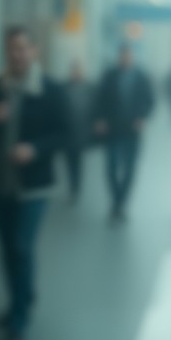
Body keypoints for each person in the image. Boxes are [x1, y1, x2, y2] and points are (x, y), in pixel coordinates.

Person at [0, 27, 68, 340]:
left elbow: (65, 134)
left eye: (24, 49)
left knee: (21, 246)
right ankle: (18, 300)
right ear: (5, 53)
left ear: (35, 51)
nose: (18, 55)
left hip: (34, 185)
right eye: (12, 50)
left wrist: (35, 149)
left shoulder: (51, 89)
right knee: (7, 249)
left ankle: (17, 328)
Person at [93, 44, 155, 222]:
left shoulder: (141, 77)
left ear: (132, 57)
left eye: (128, 55)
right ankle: (116, 199)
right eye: (122, 55)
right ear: (118, 56)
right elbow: (100, 99)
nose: (125, 58)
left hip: (132, 132)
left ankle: (121, 203)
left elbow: (150, 100)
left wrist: (142, 117)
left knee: (129, 169)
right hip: (112, 130)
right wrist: (100, 119)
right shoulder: (110, 75)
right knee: (111, 168)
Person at [62, 60, 95, 203]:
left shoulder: (89, 87)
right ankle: (72, 186)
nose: (76, 73)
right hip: (67, 132)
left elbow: (94, 108)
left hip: (81, 131)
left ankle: (76, 187)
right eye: (74, 70)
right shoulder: (64, 87)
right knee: (69, 161)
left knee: (78, 161)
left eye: (78, 70)